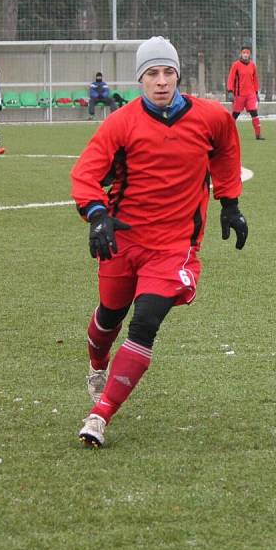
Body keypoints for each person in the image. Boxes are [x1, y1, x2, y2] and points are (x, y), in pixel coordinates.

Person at [71, 36, 249, 447]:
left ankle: (100, 416)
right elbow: (85, 173)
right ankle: (98, 364)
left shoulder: (210, 117)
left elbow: (225, 151)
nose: (162, 81)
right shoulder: (121, 123)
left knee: (145, 321)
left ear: (178, 75)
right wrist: (97, 216)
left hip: (174, 246)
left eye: (169, 72)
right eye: (152, 73)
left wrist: (230, 204)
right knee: (109, 317)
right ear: (140, 80)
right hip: (124, 240)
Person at [227, 46, 264, 140]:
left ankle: (258, 135)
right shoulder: (236, 65)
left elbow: (255, 80)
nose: (245, 55)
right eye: (244, 53)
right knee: (235, 115)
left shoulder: (252, 65)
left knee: (254, 113)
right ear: (241, 54)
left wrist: (256, 93)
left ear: (249, 54)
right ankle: (228, 135)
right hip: (239, 95)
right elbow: (231, 78)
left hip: (251, 95)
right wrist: (230, 91)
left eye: (247, 53)